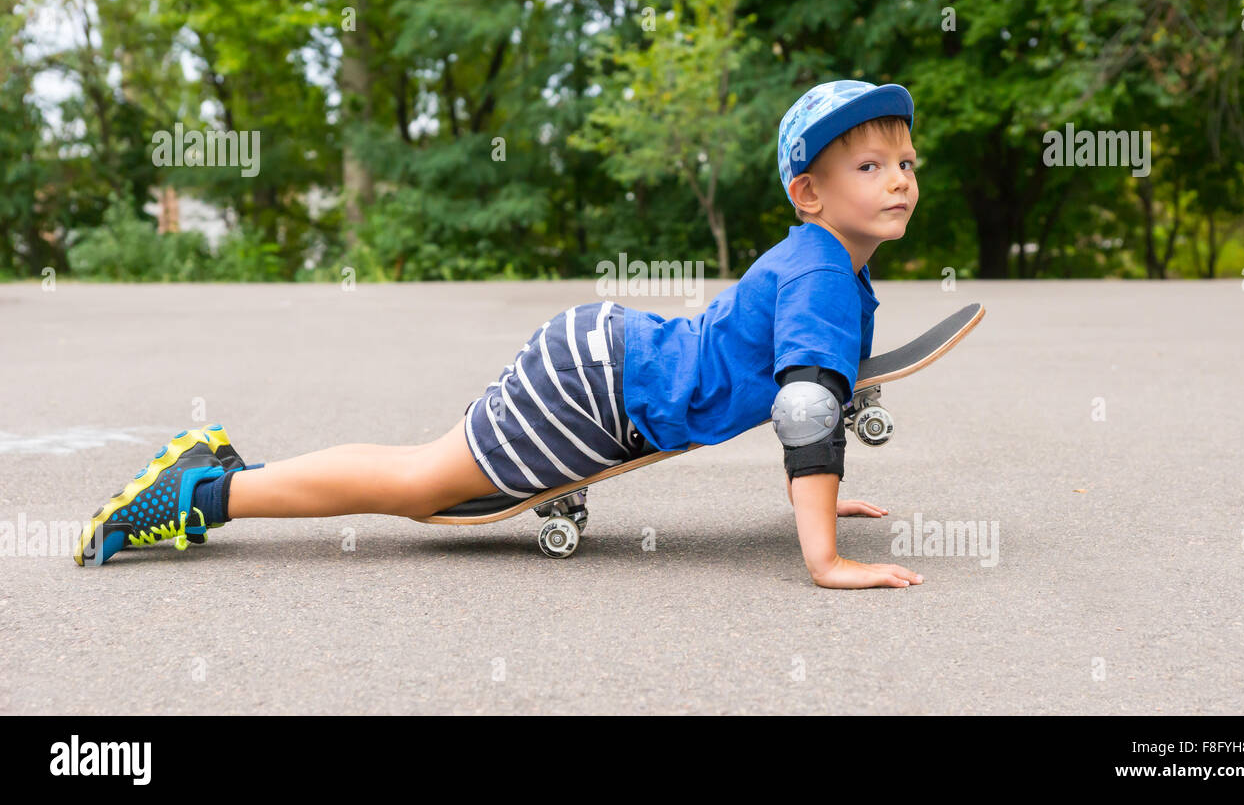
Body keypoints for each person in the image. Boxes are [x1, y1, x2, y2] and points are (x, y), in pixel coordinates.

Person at [74, 80, 924, 590]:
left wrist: (819, 491)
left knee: (426, 478)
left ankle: (213, 480)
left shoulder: (828, 263)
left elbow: (802, 388)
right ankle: (196, 492)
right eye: (869, 165)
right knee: (418, 485)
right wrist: (824, 556)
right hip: (598, 391)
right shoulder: (819, 270)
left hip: (608, 358)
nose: (898, 181)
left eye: (906, 163)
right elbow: (807, 406)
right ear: (808, 193)